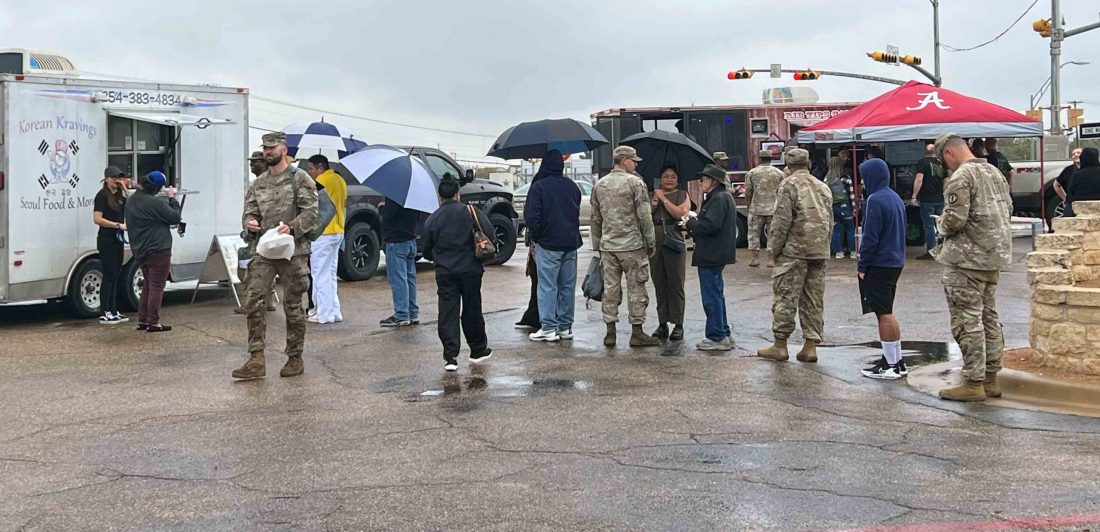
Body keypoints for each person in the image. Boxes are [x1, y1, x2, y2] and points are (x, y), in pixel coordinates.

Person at [932, 133, 1012, 402]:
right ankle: (991, 378)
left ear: (949, 154)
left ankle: (973, 382)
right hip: (993, 257)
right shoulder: (994, 172)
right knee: (989, 318)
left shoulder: (961, 177)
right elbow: (1008, 208)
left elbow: (955, 220)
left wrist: (939, 223)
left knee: (968, 322)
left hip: (966, 261)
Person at [232, 132, 318, 381]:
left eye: (273, 148)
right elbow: (249, 212)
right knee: (254, 299)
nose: (268, 152)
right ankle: (256, 358)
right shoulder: (258, 183)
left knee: (293, 305)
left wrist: (291, 227)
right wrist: (250, 223)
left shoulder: (300, 179)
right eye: (266, 148)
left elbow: (311, 213)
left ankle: (295, 357)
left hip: (293, 251)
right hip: (265, 250)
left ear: (284, 149)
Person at [757, 148, 832, 363]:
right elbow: (830, 221)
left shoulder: (788, 185)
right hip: (818, 251)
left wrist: (776, 250)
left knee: (786, 297)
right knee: (813, 299)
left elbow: (781, 222)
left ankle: (780, 344)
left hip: (794, 251)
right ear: (807, 163)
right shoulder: (823, 187)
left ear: (788, 165)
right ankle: (810, 346)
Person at [590, 146, 661, 348]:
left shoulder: (600, 185)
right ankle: (637, 332)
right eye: (633, 160)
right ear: (623, 160)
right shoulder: (635, 183)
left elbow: (595, 217)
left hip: (608, 247)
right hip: (631, 246)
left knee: (610, 289)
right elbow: (645, 216)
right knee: (636, 288)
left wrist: (597, 244)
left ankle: (610, 332)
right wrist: (651, 240)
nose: (636, 164)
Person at [422, 177, 493, 371]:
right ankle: (477, 350)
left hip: (445, 272)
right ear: (457, 194)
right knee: (472, 308)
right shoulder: (471, 212)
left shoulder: (434, 218)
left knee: (447, 311)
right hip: (471, 270)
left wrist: (438, 257)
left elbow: (426, 249)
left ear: (440, 196)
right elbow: (490, 235)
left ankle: (451, 356)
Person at [856, 158, 908, 380]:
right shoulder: (894, 197)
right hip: (894, 260)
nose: (861, 182)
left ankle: (891, 365)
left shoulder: (874, 200)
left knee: (883, 313)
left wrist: (862, 265)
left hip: (879, 262)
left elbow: (870, 237)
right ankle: (896, 360)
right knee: (887, 311)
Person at [524, 150, 582, 343]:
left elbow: (532, 217)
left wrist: (537, 236)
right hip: (570, 243)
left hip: (548, 243)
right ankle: (565, 327)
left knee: (548, 286)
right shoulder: (572, 187)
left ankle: (548, 328)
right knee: (567, 285)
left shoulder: (539, 187)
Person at [683, 164, 737, 351]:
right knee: (717, 294)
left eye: (704, 179)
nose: (701, 182)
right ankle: (724, 332)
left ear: (713, 181)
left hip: (712, 253)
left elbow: (710, 226)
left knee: (711, 296)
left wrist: (691, 223)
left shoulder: (719, 198)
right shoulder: (720, 197)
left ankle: (717, 336)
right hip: (716, 253)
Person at [124, 171, 181, 333]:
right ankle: (153, 322)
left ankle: (143, 320)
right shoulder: (153, 202)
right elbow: (175, 217)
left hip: (140, 250)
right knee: (157, 286)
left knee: (148, 285)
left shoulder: (132, 200)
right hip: (158, 249)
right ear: (157, 189)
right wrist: (171, 198)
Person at [648, 164, 691, 340]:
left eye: (673, 177)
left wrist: (664, 200)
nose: (669, 180)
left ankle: (678, 323)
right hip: (655, 241)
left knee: (676, 283)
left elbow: (681, 215)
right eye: (666, 176)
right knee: (659, 282)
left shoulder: (682, 195)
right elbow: (644, 215)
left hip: (674, 240)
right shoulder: (652, 195)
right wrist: (654, 203)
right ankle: (662, 322)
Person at [304, 155, 346, 325]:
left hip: (323, 231)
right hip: (338, 230)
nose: (310, 173)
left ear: (320, 167)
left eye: (311, 169)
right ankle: (334, 311)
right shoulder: (340, 180)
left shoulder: (321, 181)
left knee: (319, 274)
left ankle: (323, 313)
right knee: (330, 274)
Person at [235, 151, 278, 315]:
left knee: (254, 269)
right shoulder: (259, 183)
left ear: (265, 163)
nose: (252, 165)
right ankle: (269, 300)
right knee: (266, 267)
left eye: (256, 162)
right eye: (251, 162)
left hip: (262, 233)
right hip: (256, 232)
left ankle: (251, 303)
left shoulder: (267, 184)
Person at [380, 177, 421, 328]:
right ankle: (412, 312)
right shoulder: (414, 196)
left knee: (398, 279)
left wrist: (381, 208)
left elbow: (388, 216)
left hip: (396, 241)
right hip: (411, 239)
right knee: (410, 278)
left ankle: (401, 314)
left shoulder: (394, 195)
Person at [93, 166, 130, 325]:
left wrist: (125, 188)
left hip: (118, 239)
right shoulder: (102, 196)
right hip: (107, 239)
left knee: (116, 273)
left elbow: (130, 205)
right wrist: (116, 225)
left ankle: (114, 309)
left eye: (119, 178)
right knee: (108, 274)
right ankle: (105, 311)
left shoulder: (120, 196)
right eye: (115, 178)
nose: (117, 181)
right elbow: (97, 219)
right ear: (107, 179)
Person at [744, 150, 785, 268]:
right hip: (774, 208)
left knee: (753, 234)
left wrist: (749, 205)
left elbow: (748, 191)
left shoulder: (752, 173)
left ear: (760, 158)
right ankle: (771, 259)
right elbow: (782, 191)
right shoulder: (779, 173)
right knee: (773, 234)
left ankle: (755, 258)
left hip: (756, 208)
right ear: (771, 159)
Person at [911, 143, 945, 260]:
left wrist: (914, 196)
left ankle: (931, 252)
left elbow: (919, 179)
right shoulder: (941, 164)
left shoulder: (922, 162)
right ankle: (942, 250)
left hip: (927, 200)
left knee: (929, 226)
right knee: (941, 225)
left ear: (924, 151)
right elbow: (946, 181)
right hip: (940, 199)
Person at [825, 156, 856, 259]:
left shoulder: (826, 179)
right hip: (845, 206)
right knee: (850, 229)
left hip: (833, 207)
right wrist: (854, 207)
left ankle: (838, 252)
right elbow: (851, 194)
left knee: (836, 230)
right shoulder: (845, 178)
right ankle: (853, 252)